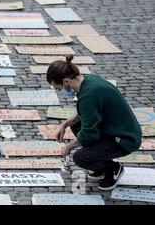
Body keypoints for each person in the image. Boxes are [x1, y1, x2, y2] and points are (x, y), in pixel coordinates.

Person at [46, 55, 142, 191]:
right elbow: (85, 113)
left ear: (66, 82)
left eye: (58, 88)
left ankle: (113, 169)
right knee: (75, 124)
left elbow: (89, 134)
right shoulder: (89, 80)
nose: (59, 91)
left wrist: (69, 147)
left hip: (125, 139)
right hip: (116, 129)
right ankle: (100, 161)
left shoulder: (88, 96)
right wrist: (64, 125)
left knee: (80, 157)